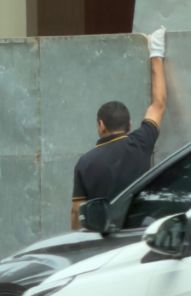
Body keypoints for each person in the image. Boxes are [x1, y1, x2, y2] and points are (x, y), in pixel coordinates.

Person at [71, 27, 167, 231]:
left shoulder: (85, 163)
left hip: (102, 238)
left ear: (101, 125)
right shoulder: (141, 142)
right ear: (129, 125)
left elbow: (76, 211)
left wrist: (77, 241)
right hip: (137, 235)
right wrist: (156, 52)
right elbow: (159, 103)